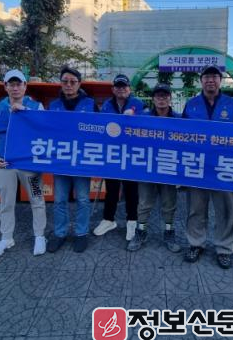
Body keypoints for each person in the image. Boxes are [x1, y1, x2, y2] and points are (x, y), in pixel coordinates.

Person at [181, 64, 233, 269]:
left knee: (226, 210)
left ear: (220, 80)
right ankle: (196, 243)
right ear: (201, 81)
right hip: (197, 166)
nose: (210, 80)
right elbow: (182, 135)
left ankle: (224, 248)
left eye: (215, 76)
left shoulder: (232, 104)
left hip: (224, 166)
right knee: (196, 208)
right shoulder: (191, 105)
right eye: (206, 77)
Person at [0, 69, 47, 259]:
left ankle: (40, 236)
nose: (15, 88)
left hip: (29, 164)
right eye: (11, 84)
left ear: (25, 86)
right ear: (5, 87)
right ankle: (6, 238)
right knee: (6, 203)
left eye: (19, 84)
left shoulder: (36, 106)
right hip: (5, 164)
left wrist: (25, 112)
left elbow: (44, 129)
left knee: (37, 199)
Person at [47, 67, 97, 253]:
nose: (68, 85)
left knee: (83, 199)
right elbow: (44, 129)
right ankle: (60, 234)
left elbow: (99, 130)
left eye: (73, 82)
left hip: (82, 160)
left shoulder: (90, 104)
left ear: (79, 84)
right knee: (59, 199)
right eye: (65, 81)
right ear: (61, 83)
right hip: (61, 159)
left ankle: (81, 233)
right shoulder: (53, 105)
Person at [127, 83, 181, 253]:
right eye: (158, 96)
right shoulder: (143, 117)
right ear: (153, 99)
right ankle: (140, 232)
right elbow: (128, 132)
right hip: (147, 167)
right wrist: (127, 118)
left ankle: (169, 233)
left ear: (170, 98)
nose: (161, 99)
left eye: (165, 96)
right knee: (144, 203)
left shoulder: (179, 119)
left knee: (169, 203)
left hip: (168, 167)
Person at [94, 73, 145, 241]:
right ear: (113, 89)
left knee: (131, 190)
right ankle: (108, 220)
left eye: (124, 86)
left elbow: (146, 122)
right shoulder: (107, 105)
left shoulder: (138, 104)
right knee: (112, 189)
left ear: (129, 89)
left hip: (131, 154)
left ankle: (132, 221)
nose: (121, 89)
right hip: (113, 154)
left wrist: (134, 116)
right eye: (118, 86)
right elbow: (101, 126)